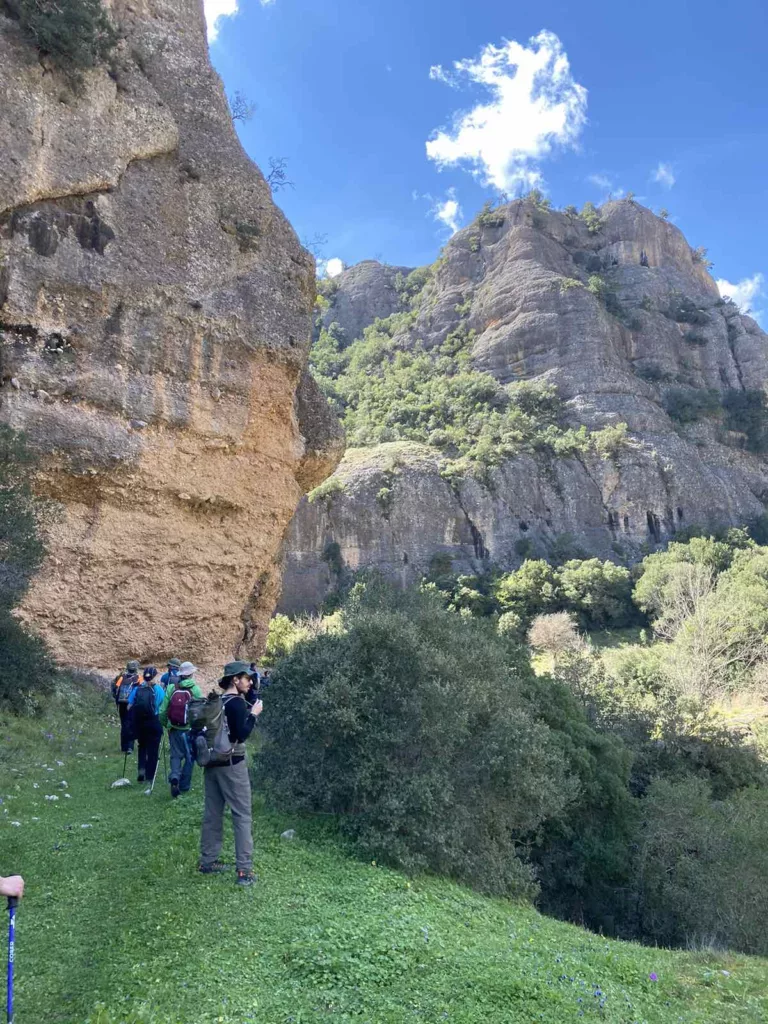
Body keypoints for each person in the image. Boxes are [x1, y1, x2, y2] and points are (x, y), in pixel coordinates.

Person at [199, 662, 263, 885]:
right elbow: (241, 735)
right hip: (232, 765)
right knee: (242, 814)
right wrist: (253, 714)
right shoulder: (236, 704)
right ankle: (244, 871)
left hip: (212, 764)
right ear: (235, 680)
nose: (250, 682)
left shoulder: (218, 702)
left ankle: (208, 861)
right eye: (246, 678)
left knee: (212, 813)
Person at [159, 661, 202, 798]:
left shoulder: (172, 687)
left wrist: (167, 724)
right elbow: (199, 711)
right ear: (191, 674)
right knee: (190, 757)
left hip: (174, 728)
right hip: (189, 729)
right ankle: (184, 786)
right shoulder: (195, 689)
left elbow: (163, 710)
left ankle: (175, 777)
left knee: (175, 755)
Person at [128, 667, 164, 784]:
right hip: (153, 721)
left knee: (142, 746)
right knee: (153, 749)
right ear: (154, 677)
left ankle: (141, 770)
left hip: (140, 723)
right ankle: (150, 776)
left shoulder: (137, 689)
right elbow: (162, 706)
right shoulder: (158, 689)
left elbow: (129, 706)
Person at [111, 660, 140, 754]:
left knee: (124, 724)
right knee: (131, 724)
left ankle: (123, 747)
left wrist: (116, 698)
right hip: (132, 705)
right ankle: (130, 747)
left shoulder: (122, 677)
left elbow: (115, 688)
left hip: (122, 704)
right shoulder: (138, 678)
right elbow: (141, 690)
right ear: (136, 668)